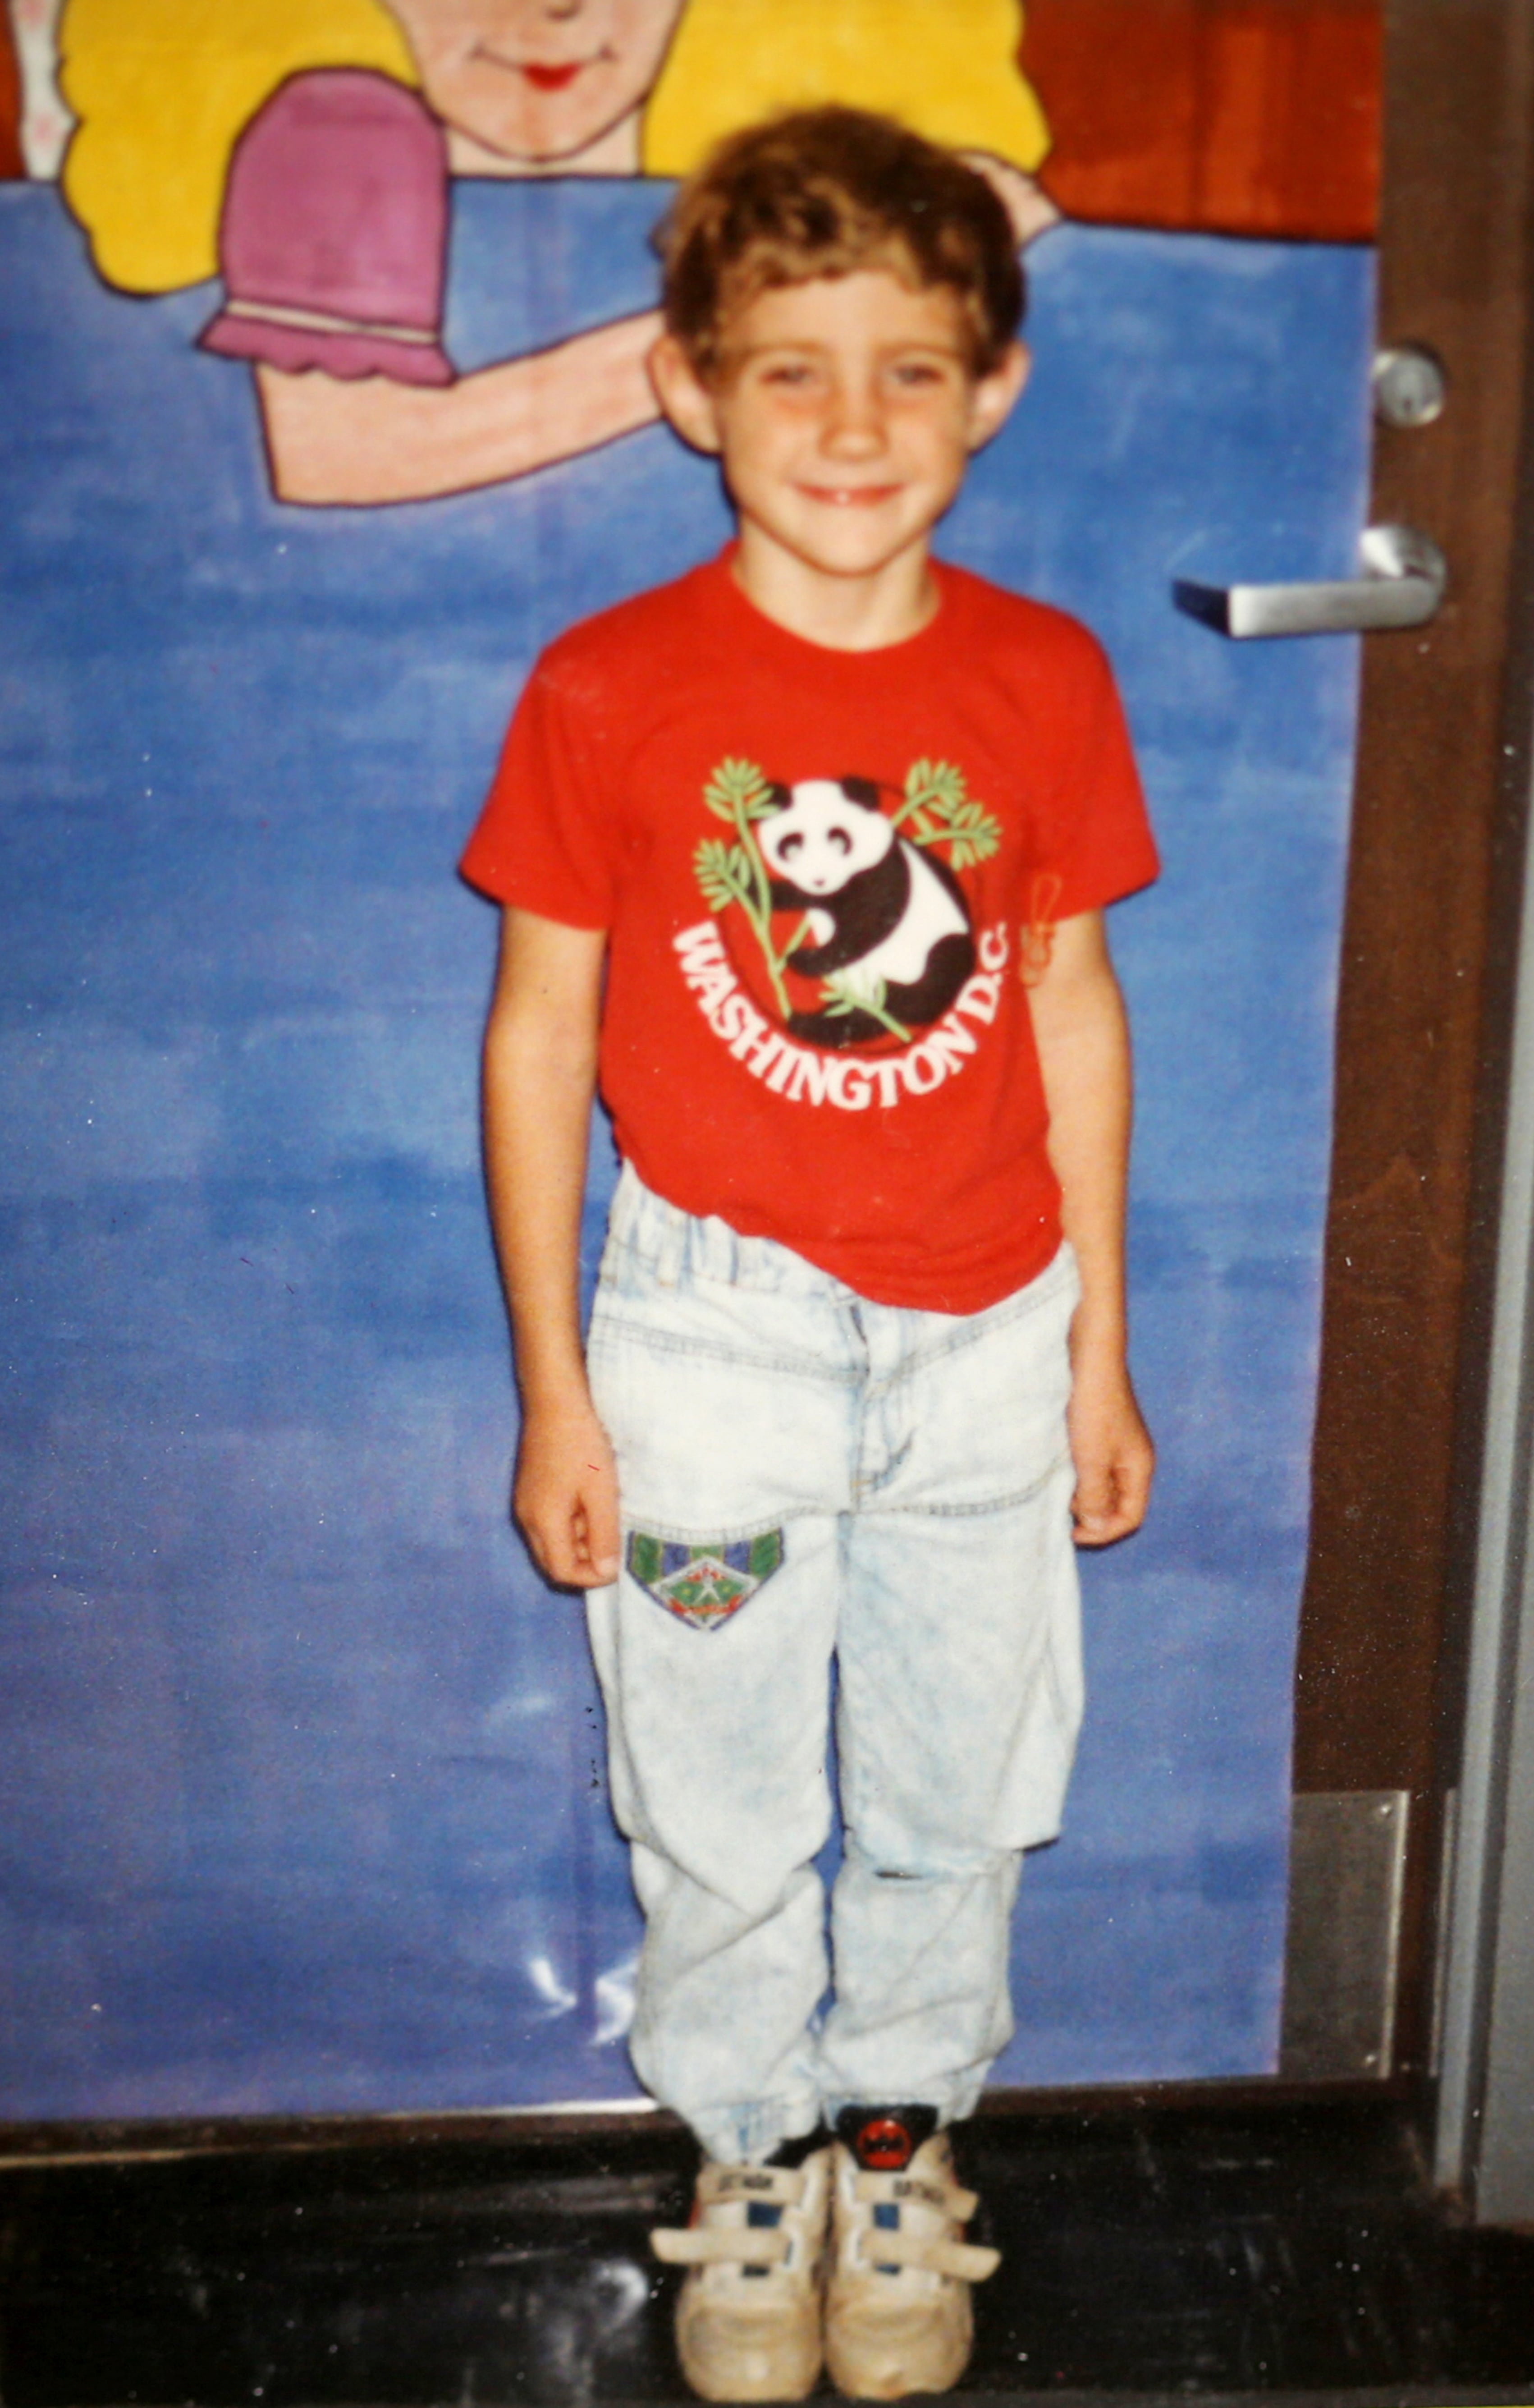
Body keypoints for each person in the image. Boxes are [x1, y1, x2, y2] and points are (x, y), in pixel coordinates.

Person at [460, 106, 1157, 2402]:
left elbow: (1064, 993)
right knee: (724, 1795)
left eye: (910, 367)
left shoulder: (1042, 681)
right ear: (686, 386)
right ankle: (755, 2156)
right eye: (788, 368)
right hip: (710, 1339)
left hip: (989, 1334)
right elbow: (541, 1029)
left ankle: (899, 2137)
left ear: (995, 387)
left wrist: (1099, 1354)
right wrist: (561, 1382)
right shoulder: (608, 687)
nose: (853, 425)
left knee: (966, 1783)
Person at [58, 0, 1052, 507]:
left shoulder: (767, 172)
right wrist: (762, 333)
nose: (556, 13)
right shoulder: (337, 138)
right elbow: (340, 452)